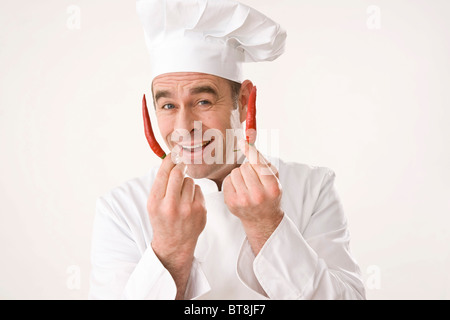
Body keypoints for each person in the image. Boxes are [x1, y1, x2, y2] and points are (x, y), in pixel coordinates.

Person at [89, 0, 366, 300]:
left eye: (203, 101)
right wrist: (170, 249)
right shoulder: (120, 209)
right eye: (168, 105)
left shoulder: (312, 189)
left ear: (244, 100)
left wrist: (267, 225)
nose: (184, 126)